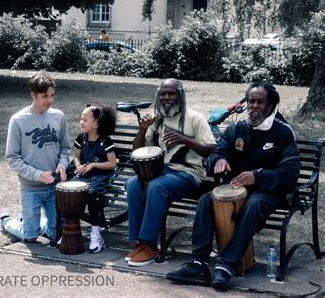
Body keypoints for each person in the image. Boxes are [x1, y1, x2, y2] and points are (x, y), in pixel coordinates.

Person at [167, 81, 300, 291]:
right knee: (205, 200)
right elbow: (217, 152)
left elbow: (289, 175)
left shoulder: (283, 132)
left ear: (272, 106)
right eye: (251, 101)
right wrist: (218, 160)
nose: (254, 106)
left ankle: (225, 267)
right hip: (236, 188)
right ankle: (198, 264)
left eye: (260, 102)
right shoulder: (237, 128)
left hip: (267, 191)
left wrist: (257, 176)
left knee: (254, 204)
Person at [125, 78, 216, 267]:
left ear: (180, 95)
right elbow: (137, 151)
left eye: (171, 93)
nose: (167, 97)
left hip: (189, 173)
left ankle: (149, 244)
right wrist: (142, 130)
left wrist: (185, 140)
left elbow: (211, 149)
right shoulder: (157, 120)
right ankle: (139, 242)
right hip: (162, 171)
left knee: (156, 187)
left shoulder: (194, 118)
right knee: (133, 183)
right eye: (163, 94)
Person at [0, 71, 71, 244]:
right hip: (31, 188)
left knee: (56, 236)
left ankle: (36, 221)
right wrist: (36, 174)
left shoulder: (58, 116)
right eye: (44, 96)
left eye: (52, 95)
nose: (50, 100)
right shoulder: (17, 120)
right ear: (33, 95)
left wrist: (62, 165)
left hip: (55, 187)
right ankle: (6, 221)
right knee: (30, 236)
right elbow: (12, 158)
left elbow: (65, 148)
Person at [70, 105, 117, 253]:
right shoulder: (81, 138)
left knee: (90, 194)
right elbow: (76, 157)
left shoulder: (105, 142)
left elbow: (112, 164)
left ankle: (95, 234)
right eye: (81, 119)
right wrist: (78, 166)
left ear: (96, 124)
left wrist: (93, 164)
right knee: (68, 193)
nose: (81, 122)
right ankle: (69, 230)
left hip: (99, 176)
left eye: (85, 119)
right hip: (83, 175)